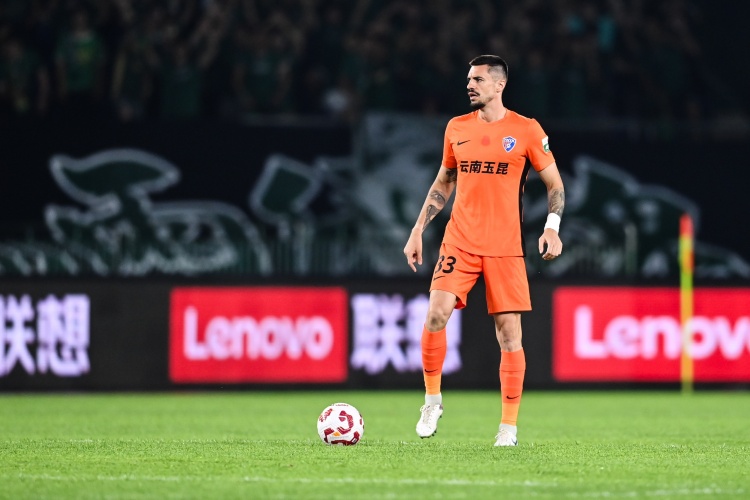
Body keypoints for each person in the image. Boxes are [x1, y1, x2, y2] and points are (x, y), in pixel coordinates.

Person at [403, 54, 565, 447]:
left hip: (505, 247)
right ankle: (432, 402)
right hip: (459, 240)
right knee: (435, 314)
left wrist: (552, 227)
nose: (469, 85)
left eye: (477, 79)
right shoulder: (457, 127)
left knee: (509, 335)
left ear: (499, 84)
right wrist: (418, 229)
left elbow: (555, 185)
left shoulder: (526, 130)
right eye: (468, 80)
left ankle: (508, 427)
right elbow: (444, 182)